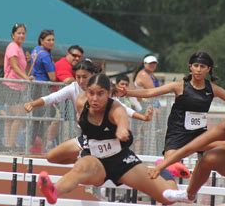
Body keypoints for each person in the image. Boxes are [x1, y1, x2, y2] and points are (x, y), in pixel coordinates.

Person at [120, 51, 225, 206]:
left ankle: (200, 179)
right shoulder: (179, 86)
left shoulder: (212, 88)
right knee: (168, 176)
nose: (198, 69)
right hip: (177, 136)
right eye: (195, 66)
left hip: (200, 136)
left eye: (202, 66)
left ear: (208, 69)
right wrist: (128, 93)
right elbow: (150, 92)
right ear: (190, 67)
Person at [37, 73, 178, 206]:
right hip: (96, 159)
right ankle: (54, 190)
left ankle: (167, 171)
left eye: (100, 94)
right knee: (80, 168)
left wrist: (121, 129)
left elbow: (122, 120)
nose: (94, 99)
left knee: (168, 198)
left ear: (109, 93)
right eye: (91, 93)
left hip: (121, 161)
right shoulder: (81, 102)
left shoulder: (115, 108)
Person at [24, 59, 153, 163]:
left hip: (107, 135)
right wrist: (33, 104)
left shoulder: (103, 89)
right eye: (77, 77)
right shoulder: (73, 88)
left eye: (84, 77)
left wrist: (142, 118)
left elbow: (121, 108)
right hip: (87, 134)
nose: (80, 81)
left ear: (93, 75)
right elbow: (53, 97)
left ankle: (100, 172)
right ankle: (84, 159)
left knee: (101, 164)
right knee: (52, 157)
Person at [3, 23, 31, 149]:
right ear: (13, 35)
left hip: (17, 86)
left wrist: (27, 61)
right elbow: (14, 66)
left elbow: (19, 66)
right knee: (19, 116)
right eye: (18, 33)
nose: (21, 35)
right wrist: (26, 78)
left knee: (11, 118)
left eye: (23, 33)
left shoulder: (19, 48)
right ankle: (10, 143)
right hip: (11, 86)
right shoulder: (13, 46)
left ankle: (9, 143)